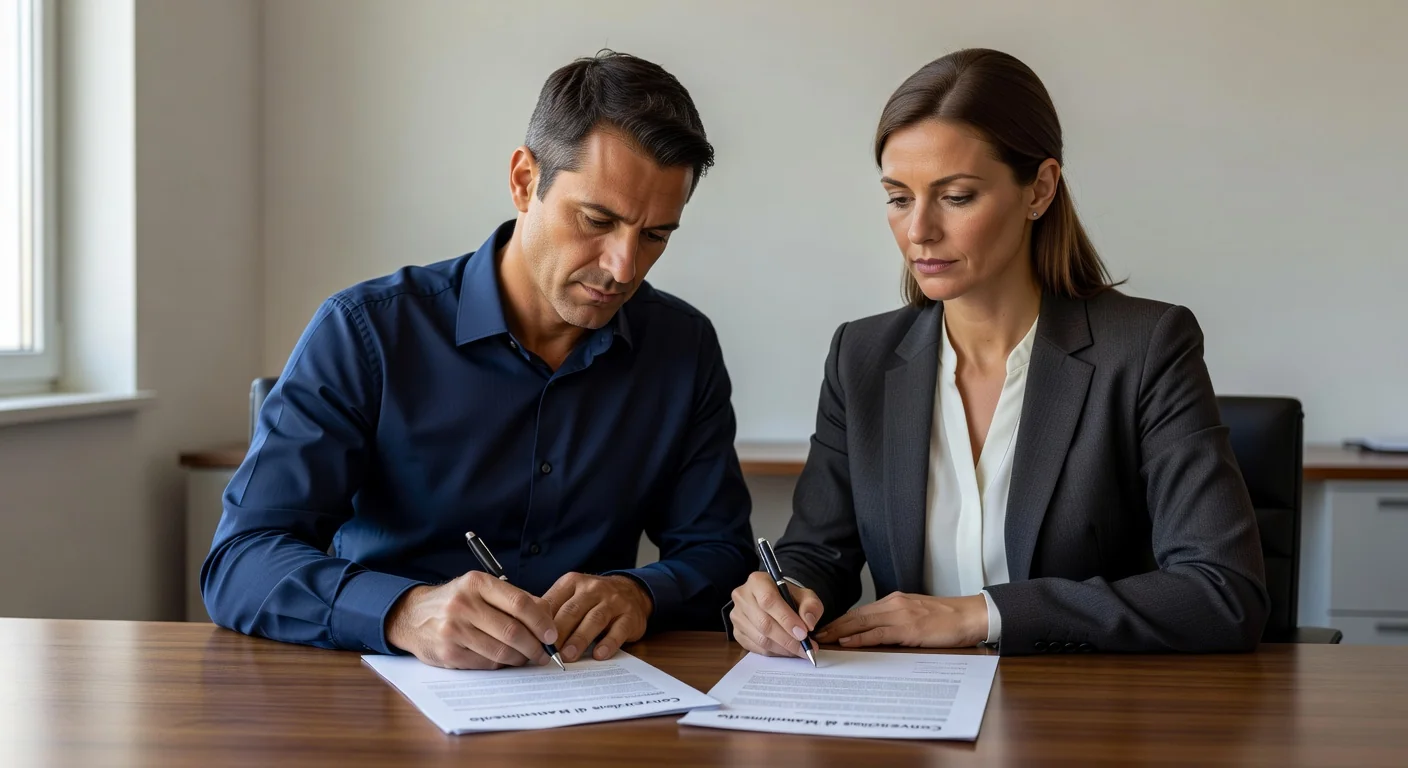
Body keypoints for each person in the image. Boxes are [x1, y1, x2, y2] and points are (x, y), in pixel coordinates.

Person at [203, 51, 754, 670]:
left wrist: (641, 592)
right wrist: (403, 611)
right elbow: (239, 562)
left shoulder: (682, 346)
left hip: (589, 699)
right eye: (598, 220)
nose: (623, 267)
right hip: (379, 699)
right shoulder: (366, 332)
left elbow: (720, 554)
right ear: (524, 180)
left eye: (655, 236)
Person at [728, 48, 1268, 657]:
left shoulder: (1146, 347)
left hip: (1080, 717)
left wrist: (982, 615)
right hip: (912, 721)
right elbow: (817, 550)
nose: (918, 230)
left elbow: (1222, 593)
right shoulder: (863, 355)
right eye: (899, 197)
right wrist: (784, 594)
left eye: (955, 197)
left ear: (1039, 189)